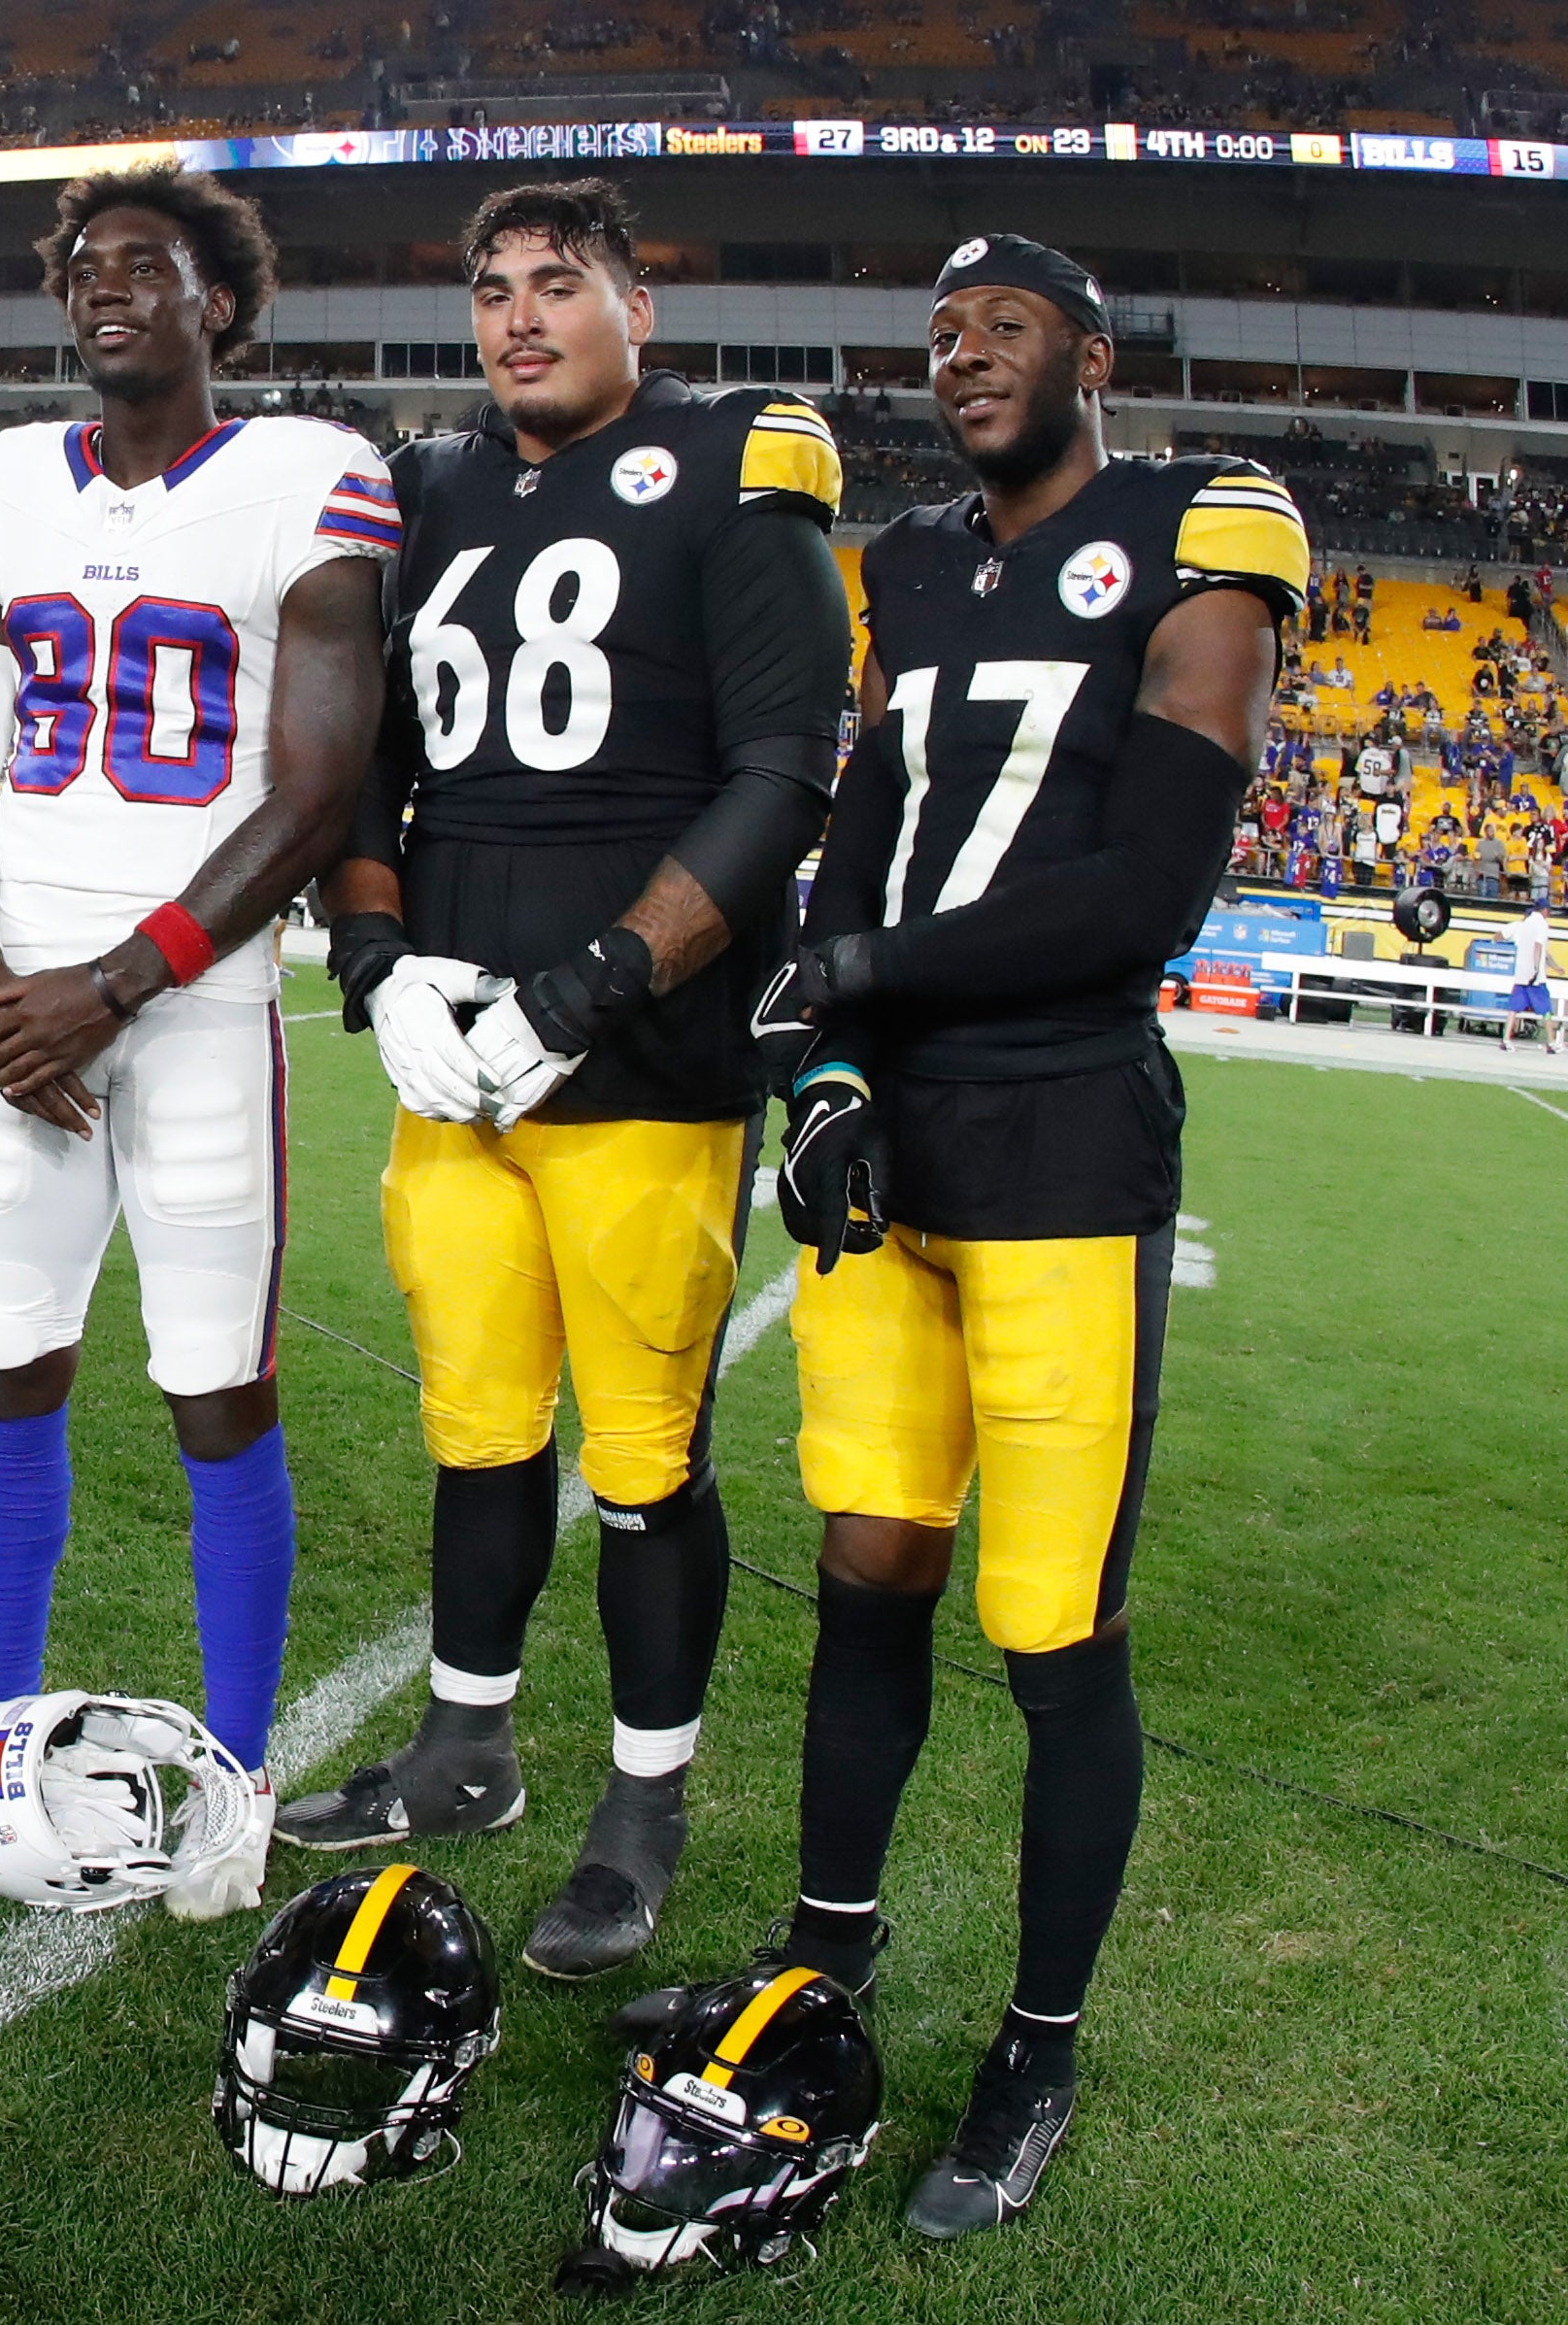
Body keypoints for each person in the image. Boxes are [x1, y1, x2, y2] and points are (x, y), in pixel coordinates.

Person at [683, 233, 1307, 2239]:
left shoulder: (1202, 527)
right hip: (904, 1134)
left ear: (1091, 355)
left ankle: (1037, 2044)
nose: (960, 358)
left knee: (1048, 1626)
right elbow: (859, 837)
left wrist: (865, 964)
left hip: (1061, 1129)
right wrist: (832, 1062)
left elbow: (1150, 891)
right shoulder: (919, 567)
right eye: (939, 332)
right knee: (867, 1564)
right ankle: (825, 1954)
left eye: (1003, 330)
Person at [283, 178, 853, 1983]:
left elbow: (783, 771)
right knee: (473, 1418)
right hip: (452, 1050)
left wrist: (598, 979)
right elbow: (356, 766)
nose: (519, 316)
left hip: (639, 1061)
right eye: (493, 290)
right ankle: (464, 1745)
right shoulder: (427, 484)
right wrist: (375, 963)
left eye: (558, 283)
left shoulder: (736, 458)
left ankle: (643, 1797)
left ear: (636, 307)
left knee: (643, 1455)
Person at [0, 163, 393, 1925]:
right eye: (81, 269)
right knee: (6, 1361)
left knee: (216, 1383)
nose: (103, 290)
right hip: (20, 1015)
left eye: (143, 266)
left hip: (194, 997)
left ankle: (235, 1772)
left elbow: (315, 793)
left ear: (221, 300)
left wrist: (111, 985)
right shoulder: (7, 481)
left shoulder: (310, 473)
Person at [1506, 901, 1554, 1052]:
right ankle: (1551, 1042)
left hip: (1521, 974)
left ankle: (1506, 1039)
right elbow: (1538, 946)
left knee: (1514, 1008)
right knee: (1546, 1009)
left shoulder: (1525, 923)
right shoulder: (1541, 924)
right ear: (1545, 910)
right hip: (1535, 977)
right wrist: (1535, 969)